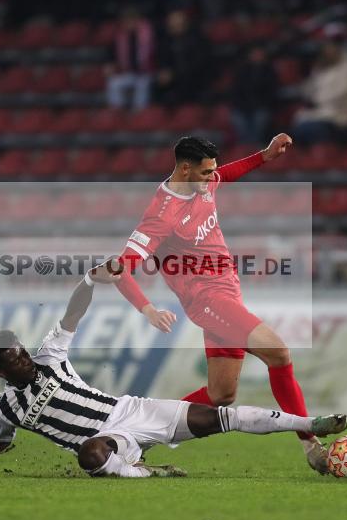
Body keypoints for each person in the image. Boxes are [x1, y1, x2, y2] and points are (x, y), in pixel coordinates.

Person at [0, 261, 347, 478]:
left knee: (223, 415)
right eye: (15, 360)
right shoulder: (6, 409)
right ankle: (148, 473)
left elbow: (72, 314)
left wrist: (89, 280)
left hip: (133, 411)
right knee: (89, 456)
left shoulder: (50, 357)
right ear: (0, 372)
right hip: (108, 442)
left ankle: (311, 423)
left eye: (22, 353)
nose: (25, 360)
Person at [111, 135, 335, 475]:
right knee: (279, 353)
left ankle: (135, 435)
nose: (211, 178)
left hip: (227, 293)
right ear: (185, 169)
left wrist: (264, 156)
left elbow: (225, 174)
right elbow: (120, 270)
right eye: (206, 172)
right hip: (208, 300)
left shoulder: (202, 183)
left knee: (221, 394)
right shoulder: (162, 215)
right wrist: (148, 309)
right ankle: (310, 443)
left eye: (212, 170)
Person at [291, 23, 347, 146]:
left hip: (340, 115)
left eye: (331, 46)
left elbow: (342, 93)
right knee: (296, 129)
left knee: (311, 130)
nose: (328, 50)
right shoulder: (322, 66)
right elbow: (308, 91)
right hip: (321, 113)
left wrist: (317, 99)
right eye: (326, 46)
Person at [106, 8, 156, 111]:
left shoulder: (148, 35)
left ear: (137, 21)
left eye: (132, 20)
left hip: (146, 72)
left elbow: (155, 54)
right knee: (113, 83)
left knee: (142, 84)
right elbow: (111, 54)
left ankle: (139, 111)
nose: (129, 24)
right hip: (127, 72)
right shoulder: (119, 37)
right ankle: (117, 111)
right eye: (127, 21)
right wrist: (110, 65)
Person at [229, 46, 278, 144]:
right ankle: (245, 144)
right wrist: (242, 105)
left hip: (261, 106)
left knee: (260, 118)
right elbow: (236, 91)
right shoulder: (242, 71)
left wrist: (260, 104)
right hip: (243, 106)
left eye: (260, 54)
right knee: (237, 118)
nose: (257, 56)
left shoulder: (270, 72)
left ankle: (255, 144)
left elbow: (270, 93)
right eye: (255, 54)